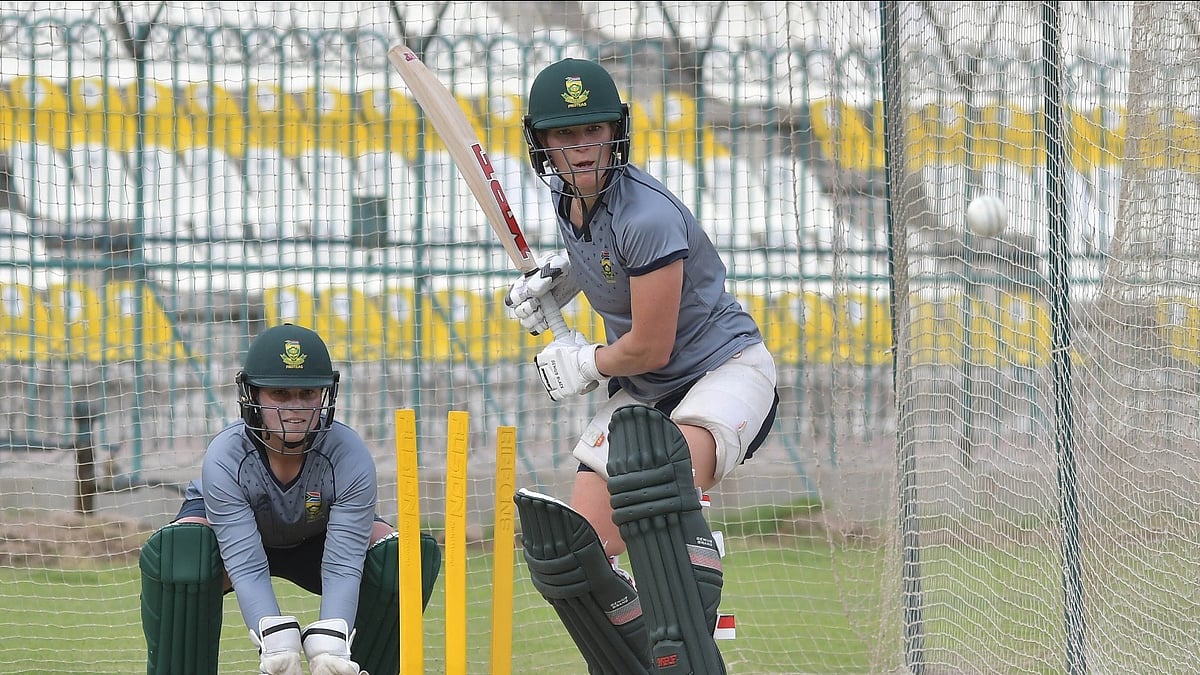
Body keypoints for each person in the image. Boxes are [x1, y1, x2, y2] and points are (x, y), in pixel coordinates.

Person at [505, 58, 780, 675]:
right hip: (651, 389)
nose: (580, 148)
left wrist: (584, 365)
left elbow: (651, 346)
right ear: (542, 142)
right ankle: (651, 649)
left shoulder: (646, 214)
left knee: (656, 483)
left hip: (722, 370)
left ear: (615, 133)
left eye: (592, 132)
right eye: (564, 135)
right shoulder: (573, 204)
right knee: (578, 556)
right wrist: (560, 283)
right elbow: (606, 263)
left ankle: (691, 559)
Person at [139, 323, 440, 675]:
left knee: (399, 558)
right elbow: (247, 563)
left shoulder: (349, 454)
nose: (295, 408)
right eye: (279, 395)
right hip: (229, 544)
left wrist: (332, 646)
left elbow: (343, 562)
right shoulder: (226, 455)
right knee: (181, 553)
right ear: (253, 395)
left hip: (317, 538)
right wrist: (274, 642)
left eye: (308, 393)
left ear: (325, 395)